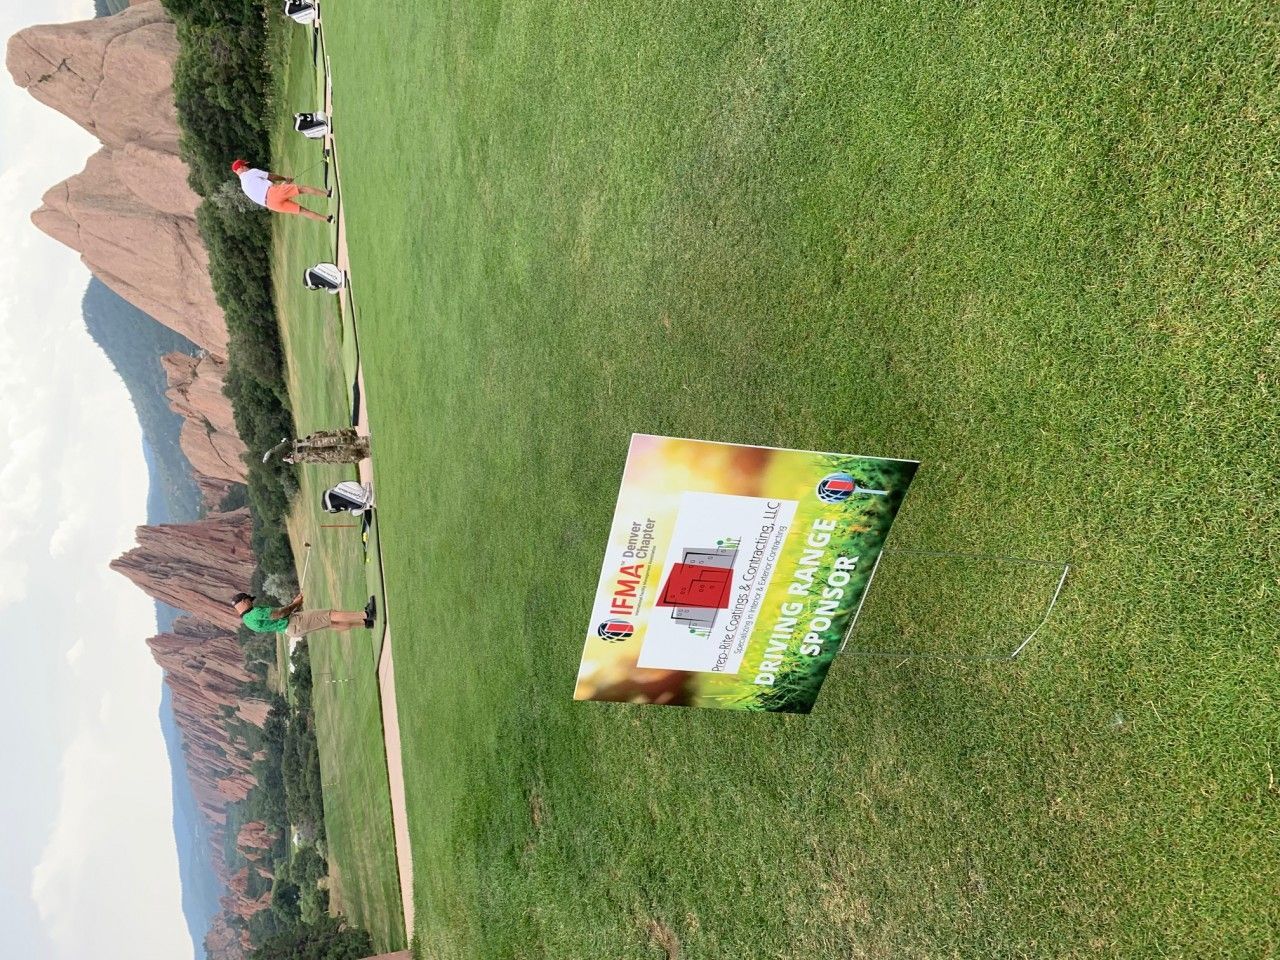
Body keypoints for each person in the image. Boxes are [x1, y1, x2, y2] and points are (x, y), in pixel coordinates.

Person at [231, 591, 376, 638]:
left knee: (331, 624)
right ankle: (367, 614)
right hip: (294, 623)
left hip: (291, 630)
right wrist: (295, 603)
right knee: (330, 615)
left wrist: (296, 604)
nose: (251, 602)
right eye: (249, 600)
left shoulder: (247, 621)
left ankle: (365, 623)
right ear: (244, 601)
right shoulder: (255, 613)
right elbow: (280, 613)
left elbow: (279, 618)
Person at [231, 158, 332, 223]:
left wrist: (284, 185)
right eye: (246, 165)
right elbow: (271, 176)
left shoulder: (244, 187)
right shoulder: (250, 172)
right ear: (242, 167)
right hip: (273, 193)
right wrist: (285, 179)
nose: (248, 166)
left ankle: (328, 219)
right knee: (302, 189)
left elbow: (266, 194)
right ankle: (328, 194)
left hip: (271, 205)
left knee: (302, 211)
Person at [261, 428, 371, 465]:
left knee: (338, 448)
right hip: (307, 449)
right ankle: (365, 444)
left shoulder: (290, 453)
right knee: (338, 446)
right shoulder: (289, 452)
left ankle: (366, 446)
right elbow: (273, 452)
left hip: (307, 449)